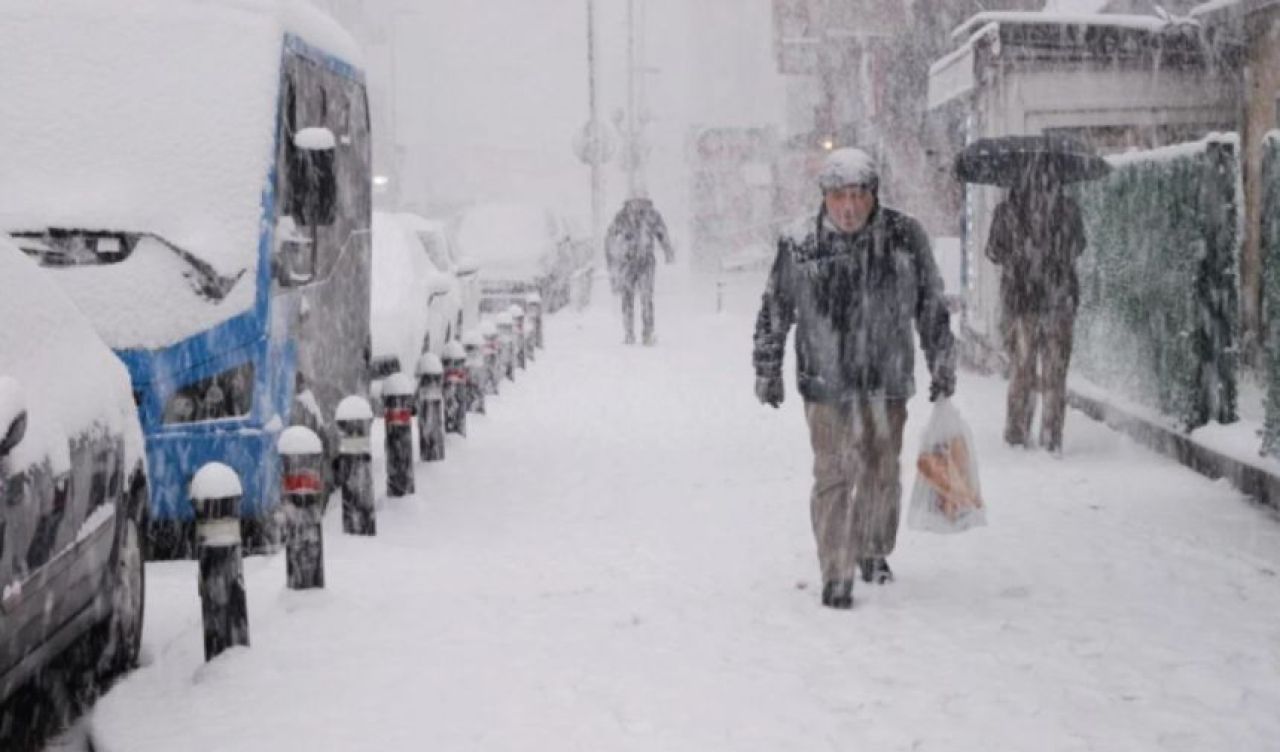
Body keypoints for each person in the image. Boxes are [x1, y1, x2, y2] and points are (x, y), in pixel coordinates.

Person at [752, 147, 956, 610]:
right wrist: (767, 365)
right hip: (825, 380)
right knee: (834, 474)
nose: (848, 207)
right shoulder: (800, 242)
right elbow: (775, 308)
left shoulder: (904, 237)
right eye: (839, 196)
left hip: (887, 377)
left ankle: (871, 549)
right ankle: (837, 569)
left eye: (858, 196)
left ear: (874, 196)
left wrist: (942, 360)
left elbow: (931, 305)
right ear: (824, 197)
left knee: (881, 472)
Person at [984, 169, 1086, 453]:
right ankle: (1051, 437)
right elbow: (1079, 246)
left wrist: (1019, 260)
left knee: (1021, 372)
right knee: (1055, 375)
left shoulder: (1007, 210)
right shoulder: (1067, 208)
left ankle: (1017, 433)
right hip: (1059, 301)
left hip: (1021, 303)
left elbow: (993, 252)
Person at [605, 194, 674, 345]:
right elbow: (611, 237)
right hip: (630, 262)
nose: (637, 205)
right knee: (632, 298)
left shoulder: (648, 215)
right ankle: (633, 333)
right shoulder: (624, 216)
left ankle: (644, 334)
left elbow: (662, 233)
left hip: (642, 262)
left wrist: (668, 251)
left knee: (643, 298)